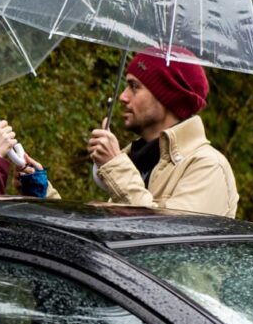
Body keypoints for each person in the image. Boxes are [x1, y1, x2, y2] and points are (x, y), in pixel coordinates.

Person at [87, 50, 239, 217]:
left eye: (134, 87)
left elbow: (167, 236)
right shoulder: (139, 159)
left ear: (167, 96)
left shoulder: (207, 166)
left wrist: (116, 167)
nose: (123, 96)